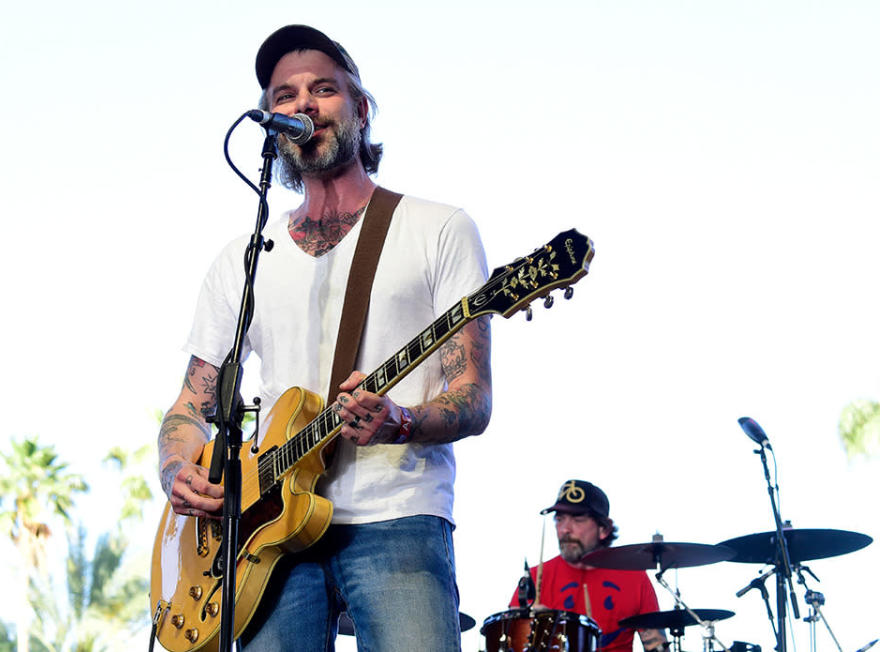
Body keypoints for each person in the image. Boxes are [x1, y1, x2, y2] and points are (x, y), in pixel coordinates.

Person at [157, 24, 492, 651]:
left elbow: (473, 396)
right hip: (265, 534)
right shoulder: (244, 258)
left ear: (361, 109)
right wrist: (177, 467)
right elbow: (190, 405)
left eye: (323, 89)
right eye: (283, 95)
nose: (302, 104)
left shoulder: (436, 227)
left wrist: (400, 419)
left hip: (398, 513)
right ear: (269, 121)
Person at [509, 480, 667, 652]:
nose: (564, 529)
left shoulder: (634, 577)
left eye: (577, 519)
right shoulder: (534, 578)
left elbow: (656, 647)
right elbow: (510, 642)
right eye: (559, 519)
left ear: (604, 529)